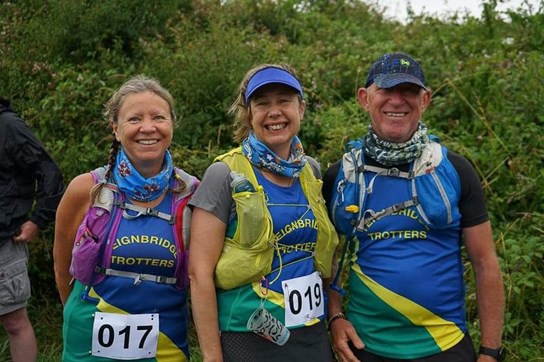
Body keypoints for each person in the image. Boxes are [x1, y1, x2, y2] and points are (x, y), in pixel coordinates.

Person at [323, 52, 505, 362]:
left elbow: (485, 262)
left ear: (425, 99)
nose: (397, 100)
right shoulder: (340, 176)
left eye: (407, 91)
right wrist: (335, 317)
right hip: (364, 348)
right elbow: (326, 258)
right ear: (365, 98)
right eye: (386, 90)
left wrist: (490, 351)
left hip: (445, 345)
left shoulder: (456, 170)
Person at [189, 63, 339, 362]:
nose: (274, 112)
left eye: (284, 101)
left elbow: (326, 256)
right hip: (249, 335)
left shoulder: (311, 170)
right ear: (248, 114)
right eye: (262, 103)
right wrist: (211, 356)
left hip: (311, 332)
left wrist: (335, 316)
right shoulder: (224, 174)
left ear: (301, 109)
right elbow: (198, 273)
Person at [53, 75, 198, 361]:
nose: (148, 127)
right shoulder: (86, 189)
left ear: (171, 125)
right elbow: (62, 270)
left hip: (166, 345)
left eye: (158, 117)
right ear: (116, 129)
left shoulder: (192, 193)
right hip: (88, 343)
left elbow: (202, 275)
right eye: (134, 119)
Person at [0, 98, 65, 362]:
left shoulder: (8, 126)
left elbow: (49, 172)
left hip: (3, 241)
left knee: (15, 322)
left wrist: (38, 220)